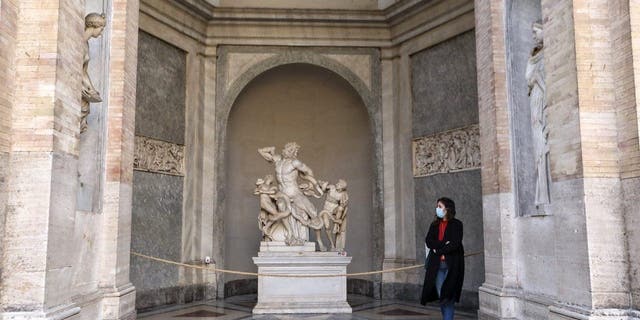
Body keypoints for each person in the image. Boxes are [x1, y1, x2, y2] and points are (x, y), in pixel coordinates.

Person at [420, 197, 464, 320]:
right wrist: (443, 244)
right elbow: (429, 241)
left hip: (452, 265)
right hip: (437, 265)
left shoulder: (457, 224)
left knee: (448, 295)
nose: (437, 209)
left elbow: (455, 243)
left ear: (447, 209)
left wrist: (438, 249)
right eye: (437, 206)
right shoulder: (434, 225)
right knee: (442, 296)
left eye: (440, 206)